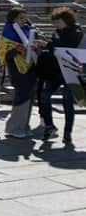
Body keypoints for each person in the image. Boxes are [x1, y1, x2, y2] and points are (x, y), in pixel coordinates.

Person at [35, 7, 83, 145]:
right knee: (44, 96)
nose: (55, 24)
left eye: (58, 21)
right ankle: (49, 126)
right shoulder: (57, 32)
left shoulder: (77, 32)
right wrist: (43, 48)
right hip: (54, 71)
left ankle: (67, 133)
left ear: (66, 20)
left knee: (67, 102)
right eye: (54, 22)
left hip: (70, 71)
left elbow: (64, 49)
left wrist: (47, 44)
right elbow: (54, 49)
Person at [0, 7, 39, 138]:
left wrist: (36, 45)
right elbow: (4, 54)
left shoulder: (29, 30)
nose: (24, 20)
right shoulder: (7, 33)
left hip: (31, 66)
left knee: (30, 95)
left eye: (25, 17)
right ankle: (13, 127)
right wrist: (17, 50)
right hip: (16, 69)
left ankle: (24, 126)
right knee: (22, 95)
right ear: (13, 19)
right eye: (20, 18)